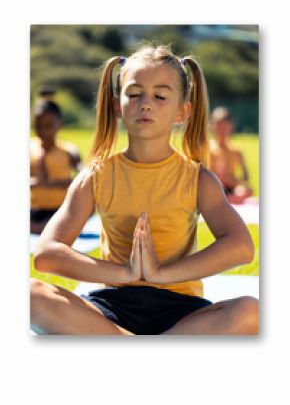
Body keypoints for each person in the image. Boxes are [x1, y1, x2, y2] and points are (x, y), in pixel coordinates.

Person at [30, 45, 259, 335]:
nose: (145, 104)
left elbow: (241, 247)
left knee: (250, 310)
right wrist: (126, 273)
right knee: (29, 296)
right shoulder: (96, 177)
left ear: (182, 111)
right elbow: (46, 253)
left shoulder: (198, 179)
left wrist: (160, 274)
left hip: (181, 311)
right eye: (134, 94)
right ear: (117, 105)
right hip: (112, 306)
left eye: (160, 96)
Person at [30, 99, 82, 234]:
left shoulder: (69, 151)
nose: (43, 130)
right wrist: (39, 183)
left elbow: (83, 176)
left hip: (60, 208)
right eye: (38, 125)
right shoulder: (30, 148)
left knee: (58, 223)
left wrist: (53, 183)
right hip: (35, 209)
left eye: (48, 125)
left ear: (60, 125)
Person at [209, 107, 253, 204]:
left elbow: (246, 178)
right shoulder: (208, 149)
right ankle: (224, 201)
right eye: (219, 126)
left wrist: (232, 180)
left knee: (246, 191)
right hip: (214, 188)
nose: (222, 130)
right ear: (212, 126)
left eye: (225, 126)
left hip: (231, 189)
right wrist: (218, 177)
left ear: (231, 126)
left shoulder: (236, 151)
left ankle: (224, 201)